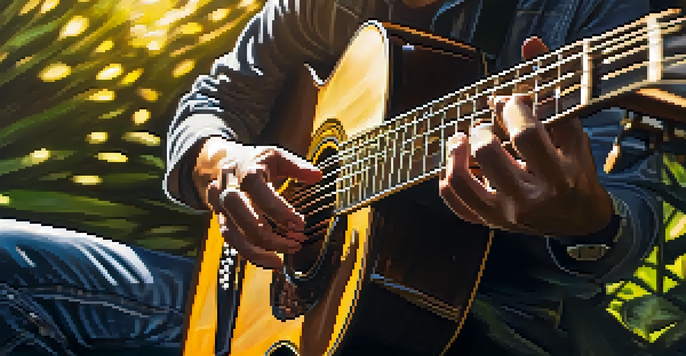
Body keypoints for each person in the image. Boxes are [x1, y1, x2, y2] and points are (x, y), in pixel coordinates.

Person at [0, 0, 665, 355]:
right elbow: (211, 104)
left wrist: (583, 222)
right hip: (247, 307)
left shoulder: (596, 12)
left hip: (462, 331)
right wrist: (223, 165)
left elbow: (626, 212)